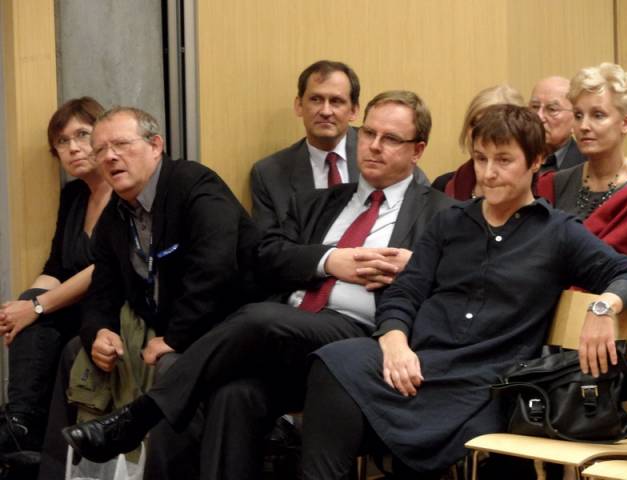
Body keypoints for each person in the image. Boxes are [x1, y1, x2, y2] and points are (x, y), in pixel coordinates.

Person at [61, 90, 455, 480]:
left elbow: (460, 290)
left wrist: (415, 266)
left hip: (363, 338)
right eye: (368, 133)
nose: (374, 146)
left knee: (258, 318)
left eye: (391, 139)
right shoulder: (317, 203)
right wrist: (328, 259)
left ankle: (137, 418)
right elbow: (265, 256)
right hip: (288, 339)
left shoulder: (442, 215)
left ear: (417, 150)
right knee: (234, 395)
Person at [298, 105, 627, 479]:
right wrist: (394, 342)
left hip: (488, 381)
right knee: (334, 361)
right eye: (480, 159)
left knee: (473, 437)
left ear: (536, 161)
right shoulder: (449, 222)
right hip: (421, 361)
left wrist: (603, 308)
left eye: (504, 160)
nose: (489, 173)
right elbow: (405, 292)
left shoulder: (558, 232)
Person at [36, 106, 260, 479]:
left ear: (155, 145)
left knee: (171, 366)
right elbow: (101, 292)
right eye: (101, 149)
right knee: (77, 351)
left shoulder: (195, 185)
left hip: (223, 328)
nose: (109, 156)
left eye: (121, 145)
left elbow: (215, 272)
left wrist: (175, 338)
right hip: (159, 327)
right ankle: (59, 473)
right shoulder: (116, 215)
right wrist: (99, 333)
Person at [0, 97, 111, 455]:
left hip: (110, 306)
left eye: (82, 134)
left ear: (103, 135)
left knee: (35, 311)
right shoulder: (74, 195)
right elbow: (56, 268)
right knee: (25, 308)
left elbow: (104, 268)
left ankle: (21, 428)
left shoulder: (124, 188)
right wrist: (20, 308)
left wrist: (36, 307)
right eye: (62, 141)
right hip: (74, 306)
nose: (73, 148)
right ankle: (20, 424)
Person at [250, 60, 428, 232]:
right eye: (316, 99)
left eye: (336, 101)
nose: (326, 111)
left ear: (354, 110)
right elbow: (268, 247)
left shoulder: (385, 155)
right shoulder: (269, 174)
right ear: (299, 105)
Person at [537, 63, 627, 261]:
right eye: (578, 115)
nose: (583, 126)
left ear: (626, 123)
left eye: (598, 115)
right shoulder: (551, 185)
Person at [432, 84, 524, 199]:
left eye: (490, 125)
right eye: (474, 124)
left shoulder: (541, 190)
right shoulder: (443, 186)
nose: (477, 133)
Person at [529, 76, 587, 172]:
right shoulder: (518, 158)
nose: (539, 116)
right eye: (535, 107)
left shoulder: (587, 165)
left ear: (575, 118)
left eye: (552, 109)